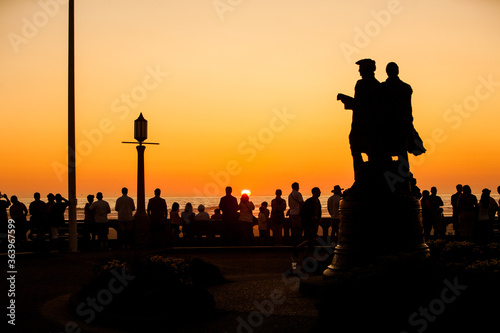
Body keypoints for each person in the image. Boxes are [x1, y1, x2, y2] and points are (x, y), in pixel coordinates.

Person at [337, 58, 380, 180]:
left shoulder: (361, 84)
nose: (359, 72)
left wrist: (346, 100)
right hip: (373, 129)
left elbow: (360, 105)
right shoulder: (378, 86)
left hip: (363, 128)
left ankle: (360, 179)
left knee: (356, 150)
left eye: (361, 69)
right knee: (371, 155)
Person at [293, 187, 322, 263]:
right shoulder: (309, 201)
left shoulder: (317, 201)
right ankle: (298, 249)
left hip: (314, 224)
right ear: (313, 192)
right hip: (308, 224)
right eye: (318, 192)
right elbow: (304, 212)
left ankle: (303, 254)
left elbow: (319, 212)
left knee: (311, 241)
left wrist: (317, 219)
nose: (319, 193)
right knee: (311, 240)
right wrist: (310, 219)